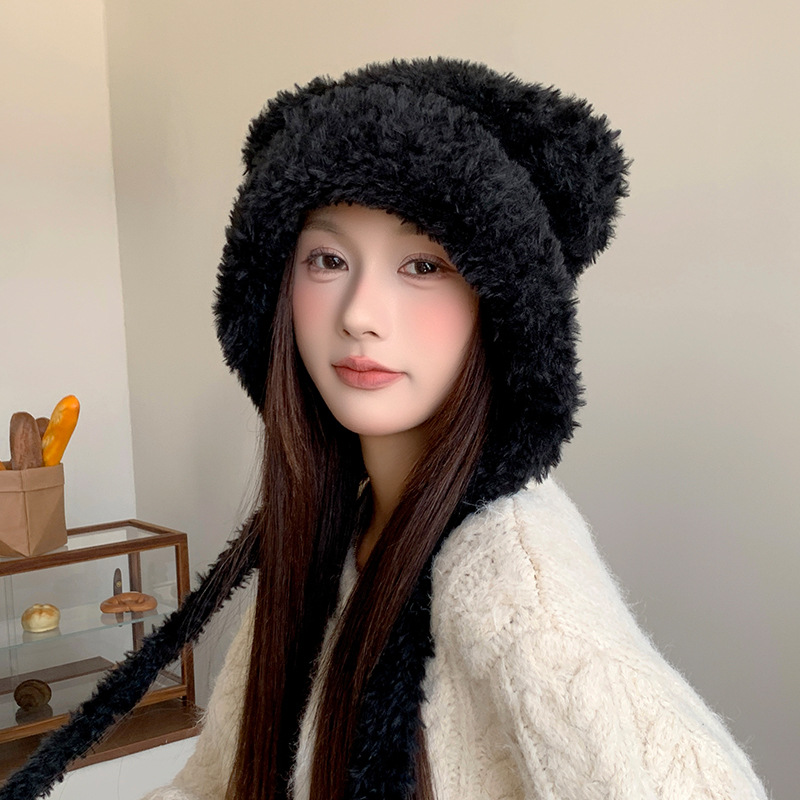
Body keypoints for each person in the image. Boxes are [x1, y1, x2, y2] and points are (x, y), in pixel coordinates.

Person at [0, 57, 767, 800]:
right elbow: (217, 784)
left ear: (501, 308)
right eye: (327, 259)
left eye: (424, 265)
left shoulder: (512, 580)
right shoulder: (332, 532)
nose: (360, 314)